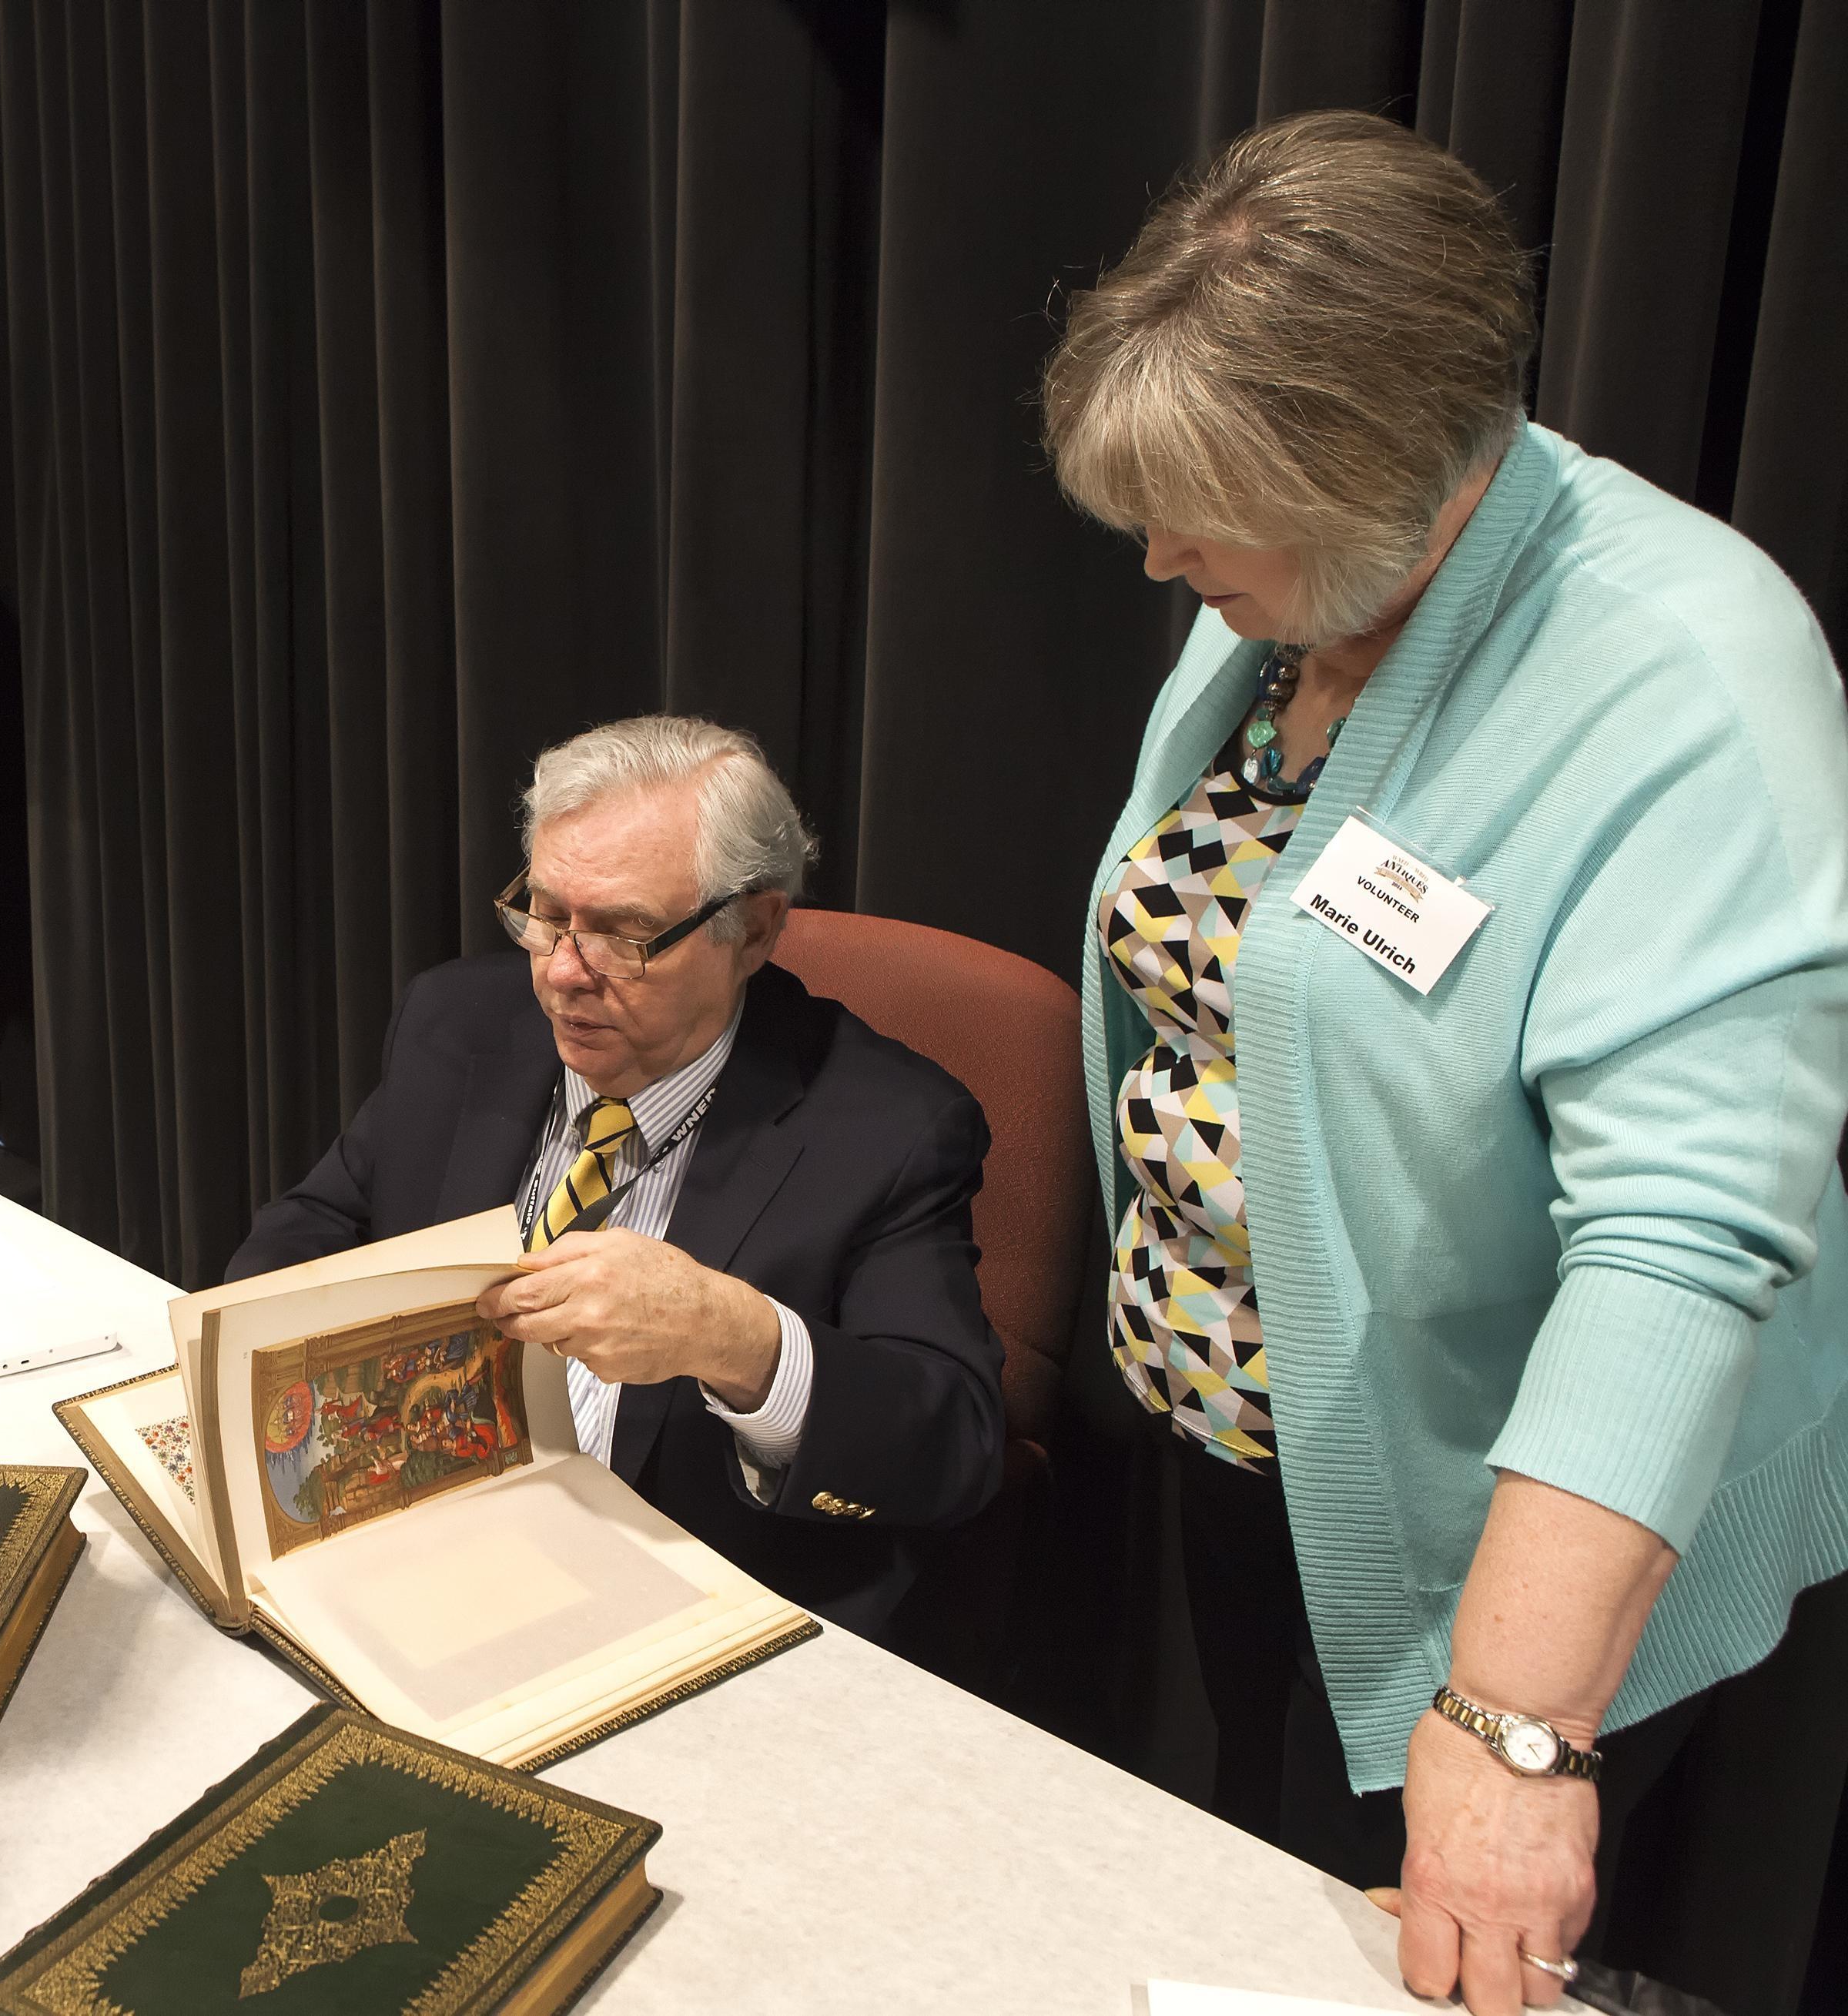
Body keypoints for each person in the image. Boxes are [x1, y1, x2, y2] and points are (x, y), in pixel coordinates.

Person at [1042, 110, 1848, 2016]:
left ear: (1402, 472)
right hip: (1268, 1462)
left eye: (1204, 514)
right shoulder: (1302, 587)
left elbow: (1675, 1246)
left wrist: (1514, 1727)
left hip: (1525, 1544)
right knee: (1272, 1898)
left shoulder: (1687, 677)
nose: (1161, 558)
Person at [228, 717, 1006, 1653]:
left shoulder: (889, 1128)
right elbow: (323, 1218)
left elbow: (954, 1442)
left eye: (626, 934)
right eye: (547, 914)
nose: (561, 973)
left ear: (753, 928)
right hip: (415, 1549)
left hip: (680, 1602)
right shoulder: (457, 1022)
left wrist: (735, 1336)